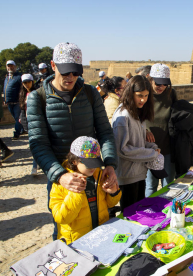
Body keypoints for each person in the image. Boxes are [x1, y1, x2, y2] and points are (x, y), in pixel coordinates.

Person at [27, 42, 118, 240]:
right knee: (65, 229)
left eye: (75, 73)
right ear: (53, 66)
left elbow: (105, 132)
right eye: (65, 72)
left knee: (98, 223)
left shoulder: (90, 93)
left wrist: (110, 163)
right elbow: (38, 144)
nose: (70, 78)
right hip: (62, 178)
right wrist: (60, 175)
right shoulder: (37, 98)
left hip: (91, 171)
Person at [49, 136, 121, 244]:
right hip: (77, 240)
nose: (93, 168)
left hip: (101, 234)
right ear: (74, 161)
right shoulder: (61, 183)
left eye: (95, 163)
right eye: (89, 164)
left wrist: (113, 192)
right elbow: (61, 218)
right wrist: (76, 192)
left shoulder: (99, 174)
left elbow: (110, 205)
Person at [112, 75, 159, 211]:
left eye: (146, 96)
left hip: (139, 174)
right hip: (127, 177)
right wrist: (151, 153)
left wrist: (153, 147)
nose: (143, 100)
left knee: (140, 215)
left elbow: (138, 141)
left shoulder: (138, 112)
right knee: (131, 217)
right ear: (130, 93)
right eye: (139, 95)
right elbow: (122, 149)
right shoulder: (123, 115)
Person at [145, 64, 177, 197]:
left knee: (168, 184)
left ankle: (168, 212)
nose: (161, 87)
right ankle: (150, 212)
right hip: (150, 147)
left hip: (167, 145)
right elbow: (134, 115)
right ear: (150, 79)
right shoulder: (144, 94)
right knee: (151, 185)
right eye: (158, 83)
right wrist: (144, 129)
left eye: (164, 84)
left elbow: (176, 114)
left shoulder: (171, 93)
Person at [19, 74, 38, 176]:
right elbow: (22, 110)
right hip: (28, 121)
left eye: (28, 82)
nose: (27, 84)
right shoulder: (22, 94)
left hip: (36, 121)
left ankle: (35, 166)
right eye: (25, 83)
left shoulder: (37, 93)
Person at [3, 60, 23, 139]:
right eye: (8, 66)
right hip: (9, 102)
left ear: (15, 66)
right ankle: (22, 129)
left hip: (17, 102)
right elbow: (5, 89)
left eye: (11, 66)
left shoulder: (19, 76)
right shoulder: (7, 77)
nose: (10, 67)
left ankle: (16, 133)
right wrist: (5, 99)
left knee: (18, 118)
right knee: (16, 118)